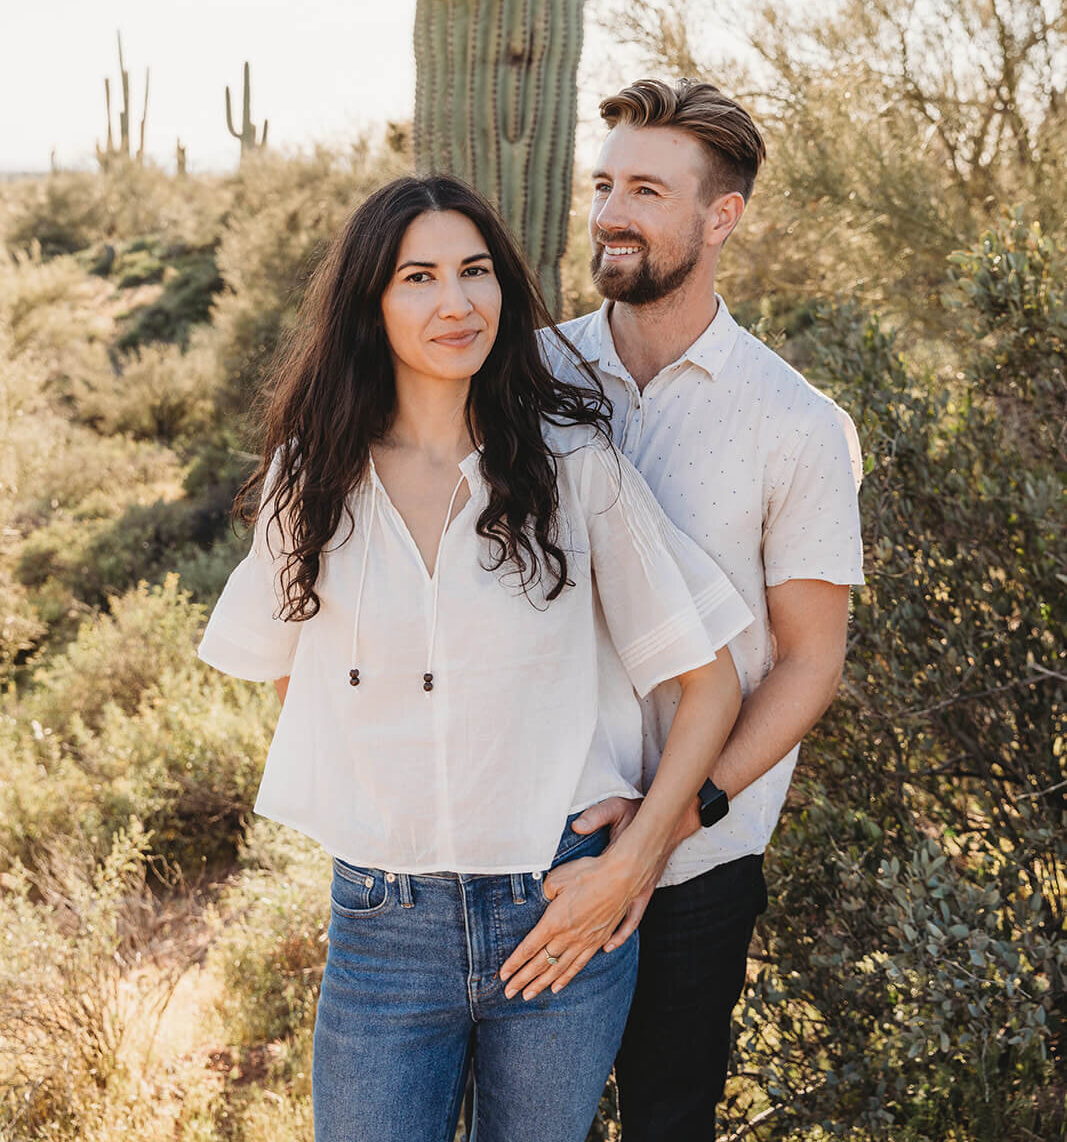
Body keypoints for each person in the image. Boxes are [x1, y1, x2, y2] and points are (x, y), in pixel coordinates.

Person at [197, 174, 753, 1142]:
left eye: (475, 271)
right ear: (370, 302)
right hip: (382, 926)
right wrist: (382, 782)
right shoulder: (311, 478)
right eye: (418, 276)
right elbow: (294, 669)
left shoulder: (572, 463)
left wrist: (630, 860)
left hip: (557, 907)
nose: (455, 302)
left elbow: (706, 682)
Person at [544, 78, 866, 1141]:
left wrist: (663, 829)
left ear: (719, 216)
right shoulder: (526, 376)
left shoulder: (795, 425)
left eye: (643, 189)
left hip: (696, 867)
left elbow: (807, 665)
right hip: (524, 837)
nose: (609, 216)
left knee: (666, 1119)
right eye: (603, 186)